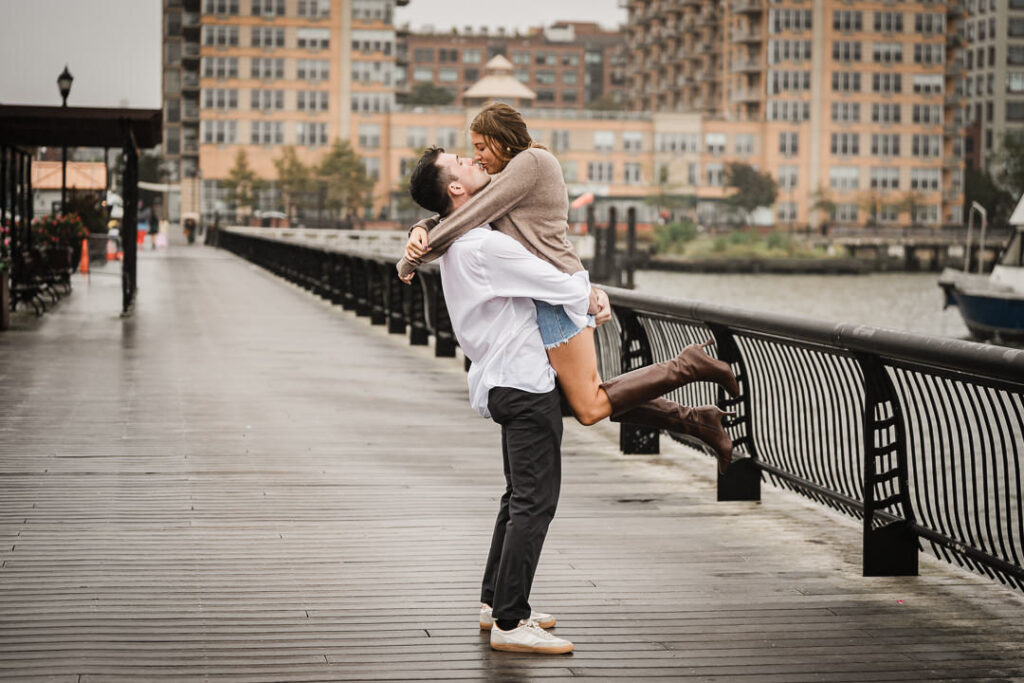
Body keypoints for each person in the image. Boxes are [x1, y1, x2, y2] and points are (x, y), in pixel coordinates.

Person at [398, 104, 736, 473]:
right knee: (581, 398)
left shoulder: (533, 163)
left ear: (500, 139)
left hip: (559, 294)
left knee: (588, 405)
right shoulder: (508, 176)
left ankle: (687, 367)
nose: (476, 157)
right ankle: (696, 419)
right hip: (551, 292)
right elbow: (460, 209)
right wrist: (422, 227)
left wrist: (413, 257)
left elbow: (469, 213)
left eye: (480, 147)